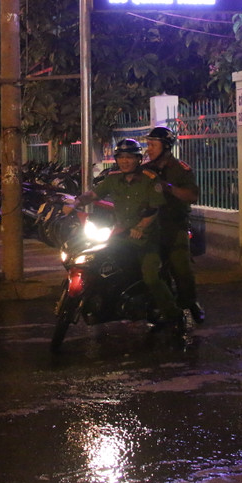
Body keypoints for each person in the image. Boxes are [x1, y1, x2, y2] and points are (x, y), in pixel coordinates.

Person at [69, 138, 182, 331]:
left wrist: (141, 227)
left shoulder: (149, 179)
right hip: (120, 235)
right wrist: (75, 202)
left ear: (138, 159)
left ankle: (173, 315)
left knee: (151, 277)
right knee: (99, 265)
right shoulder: (113, 179)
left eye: (129, 157)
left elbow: (154, 208)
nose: (125, 161)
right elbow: (93, 195)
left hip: (146, 238)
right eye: (121, 157)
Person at [141, 126, 204, 325]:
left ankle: (190, 302)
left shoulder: (180, 169)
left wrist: (168, 187)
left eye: (153, 145)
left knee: (181, 267)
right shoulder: (145, 169)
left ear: (166, 147)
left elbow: (192, 195)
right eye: (148, 144)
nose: (149, 149)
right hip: (151, 225)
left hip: (174, 225)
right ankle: (162, 306)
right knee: (152, 269)